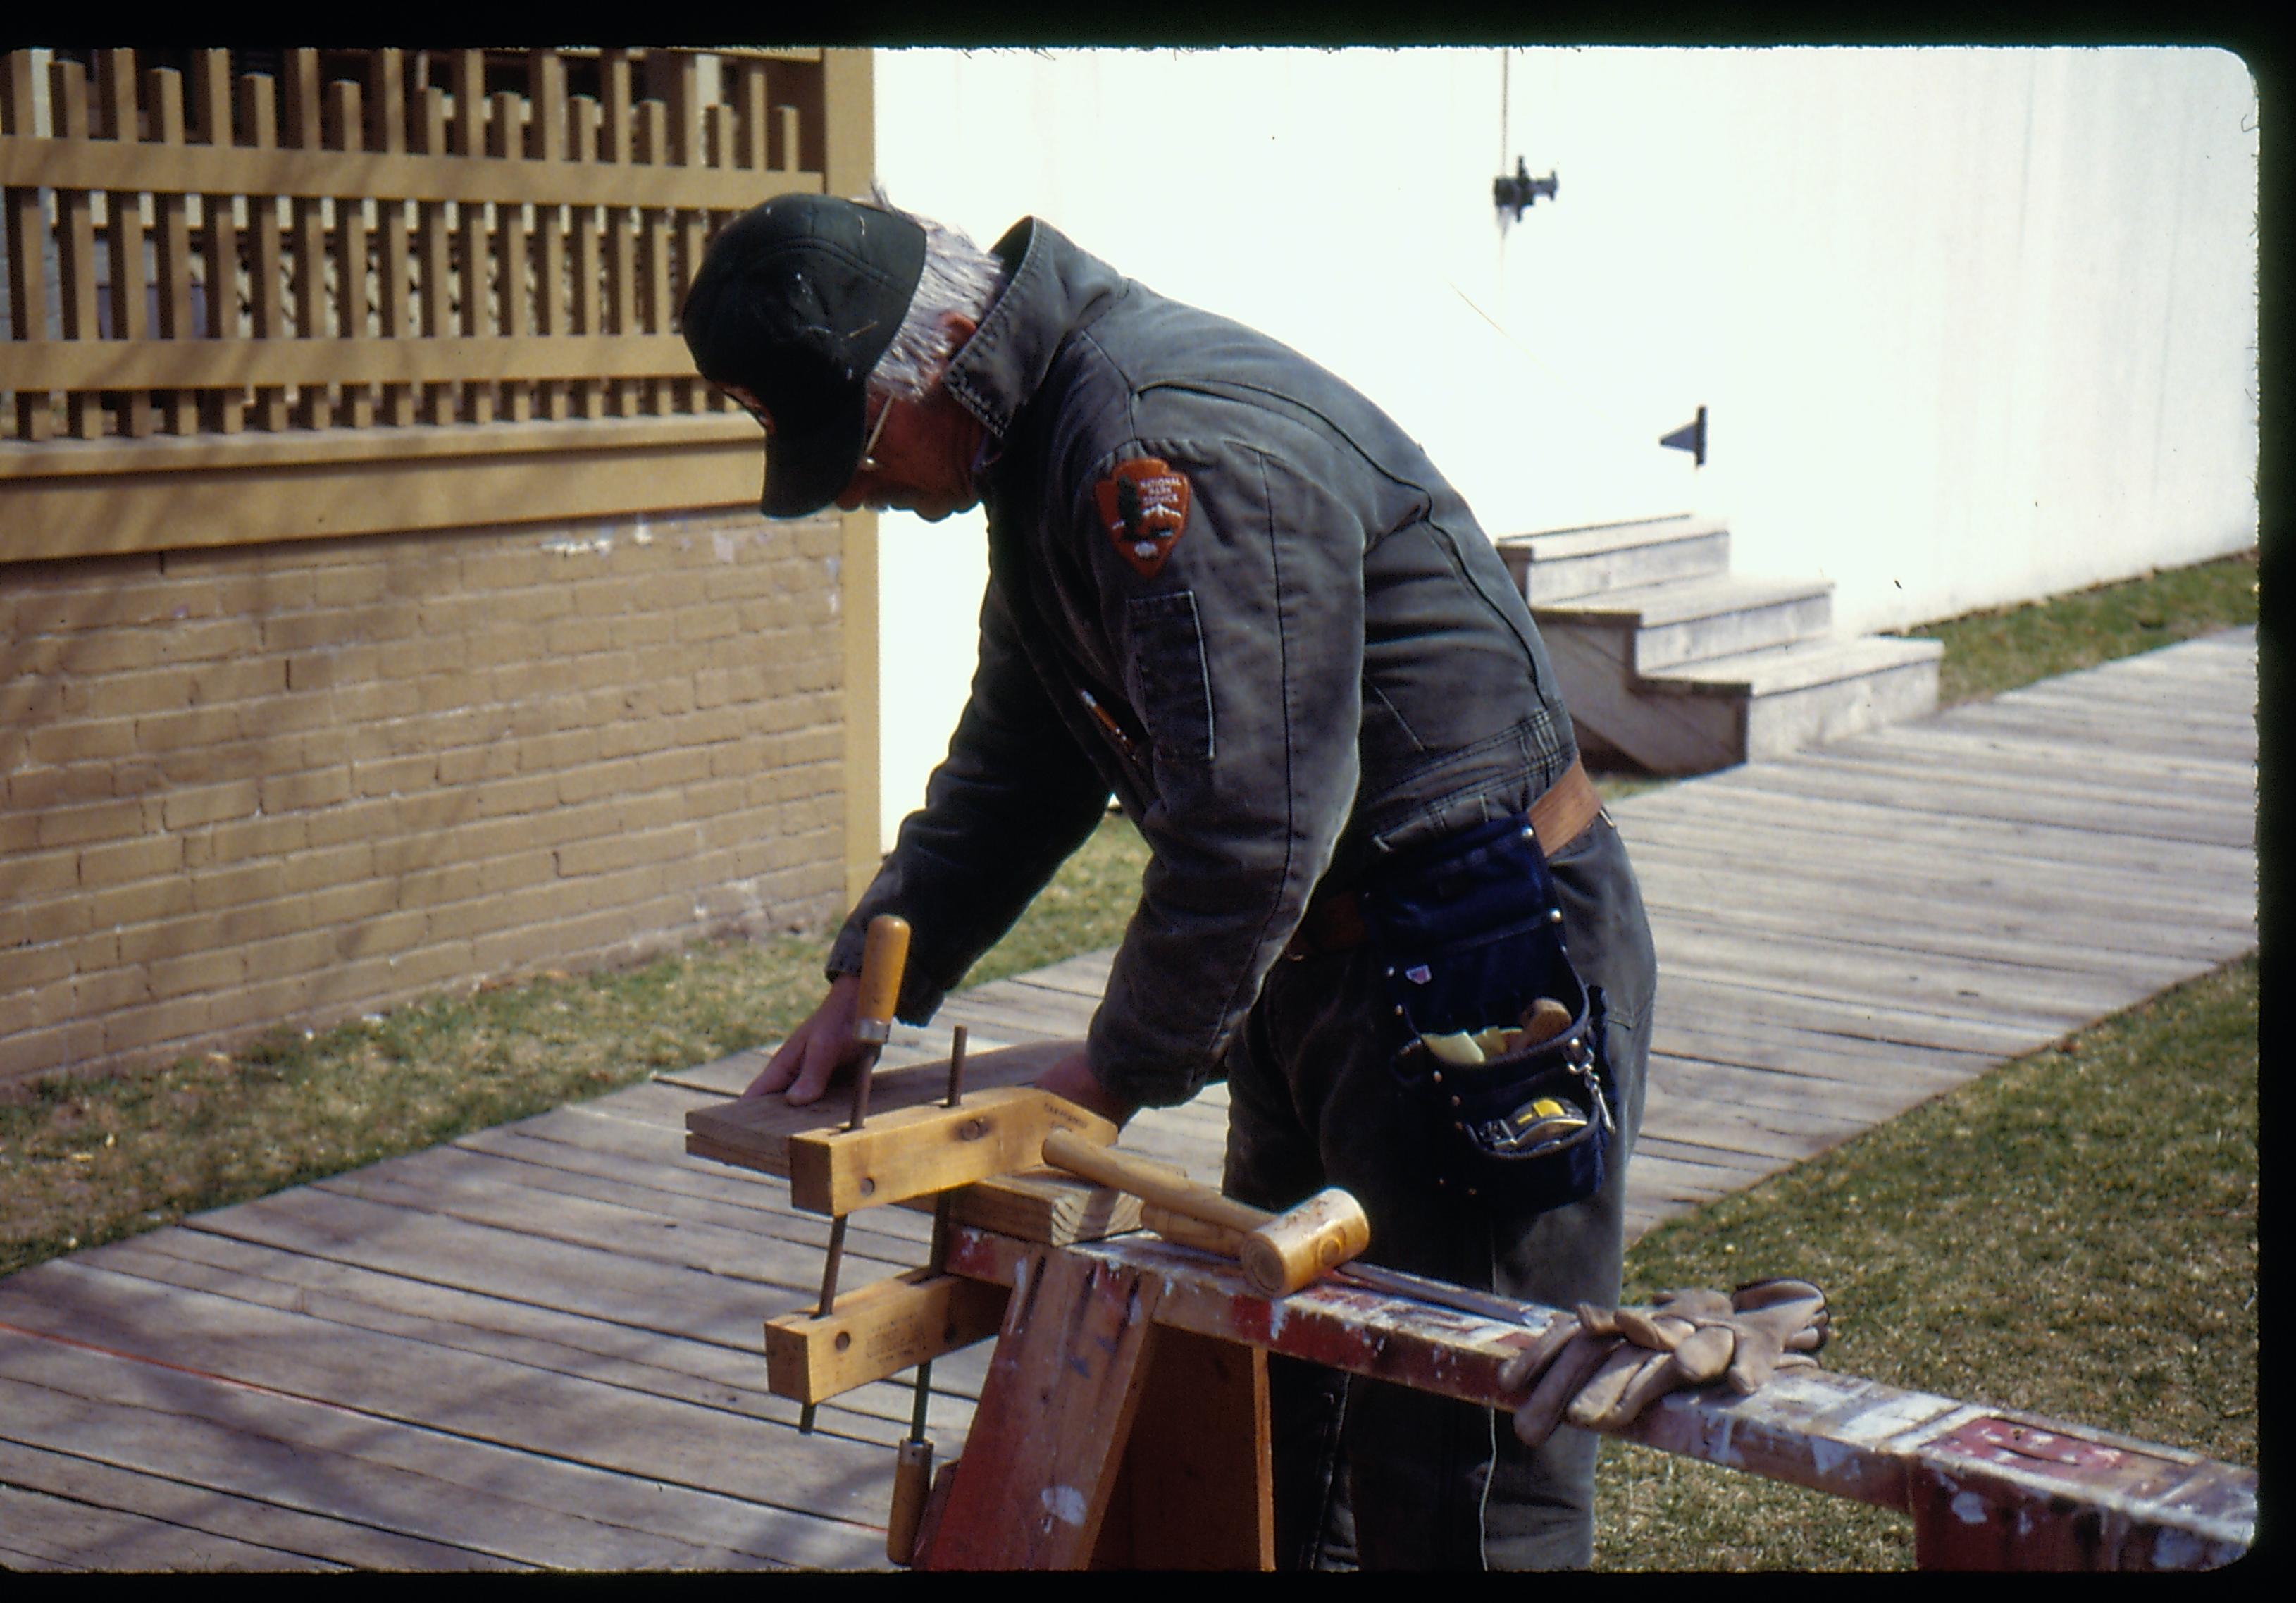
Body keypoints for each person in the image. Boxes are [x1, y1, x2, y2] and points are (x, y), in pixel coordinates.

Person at [680, 192, 1659, 1571]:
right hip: (1319, 976)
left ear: (940, 350)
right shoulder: (1043, 456)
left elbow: (1254, 820)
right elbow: (1021, 758)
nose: (856, 484)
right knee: (1291, 1412)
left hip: (1479, 953)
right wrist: (873, 974)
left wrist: (1117, 1067)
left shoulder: (1148, 440)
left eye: (857, 445)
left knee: (1462, 1450)